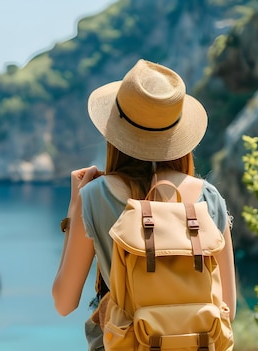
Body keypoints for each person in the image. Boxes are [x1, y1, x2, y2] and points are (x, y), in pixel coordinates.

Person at [51, 59, 237, 349]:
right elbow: (228, 308)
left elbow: (64, 303)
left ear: (114, 130)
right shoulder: (209, 197)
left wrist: (76, 208)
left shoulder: (95, 195)